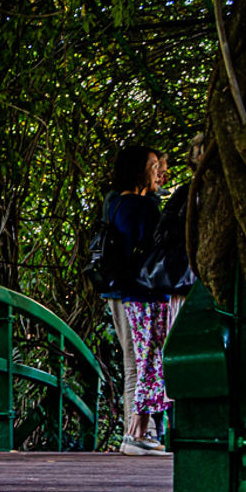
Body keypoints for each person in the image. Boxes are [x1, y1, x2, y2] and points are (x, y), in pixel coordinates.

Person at [102, 145, 170, 456]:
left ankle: (140, 432)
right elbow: (152, 248)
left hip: (121, 292)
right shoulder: (136, 207)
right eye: (154, 165)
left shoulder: (114, 203)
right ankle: (140, 434)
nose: (160, 171)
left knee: (136, 363)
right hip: (138, 296)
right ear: (138, 170)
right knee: (141, 363)